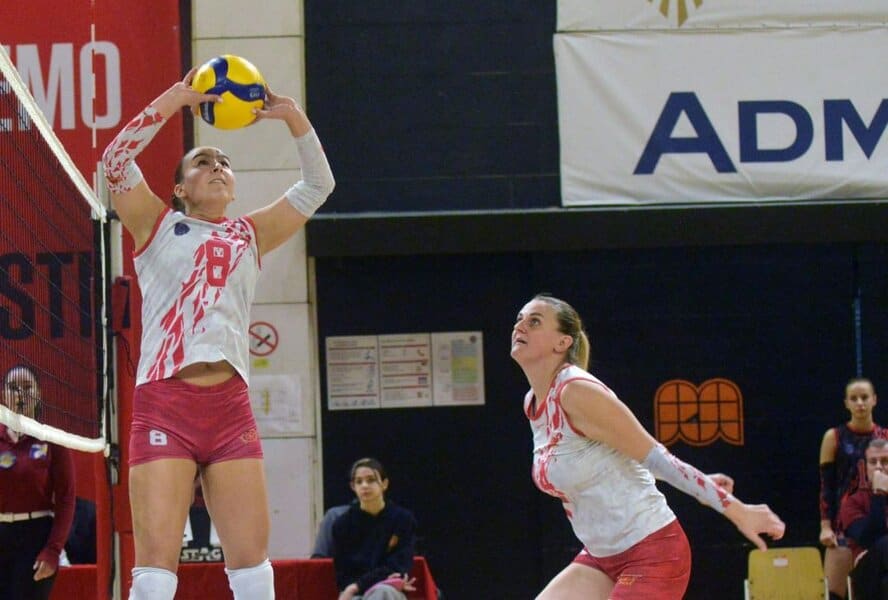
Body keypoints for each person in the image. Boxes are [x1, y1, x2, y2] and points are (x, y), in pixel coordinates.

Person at [101, 66, 334, 600]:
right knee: (155, 574)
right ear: (180, 188)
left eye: (224, 162)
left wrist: (294, 118)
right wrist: (174, 100)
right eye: (203, 162)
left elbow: (319, 185)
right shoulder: (156, 225)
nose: (217, 168)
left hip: (230, 409)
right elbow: (114, 162)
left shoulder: (248, 234)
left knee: (254, 573)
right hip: (165, 404)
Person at [510, 294, 786, 599]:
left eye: (534, 321)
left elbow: (656, 456)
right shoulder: (533, 402)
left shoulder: (576, 391)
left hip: (654, 554)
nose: (520, 326)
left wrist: (737, 510)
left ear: (562, 342)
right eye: (520, 319)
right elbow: (611, 461)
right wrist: (703, 482)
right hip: (600, 556)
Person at [0, 365, 75, 599]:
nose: (20, 394)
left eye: (27, 387)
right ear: (3, 395)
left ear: (38, 393)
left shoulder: (51, 437)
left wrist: (53, 550)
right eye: (13, 388)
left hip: (36, 537)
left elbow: (66, 498)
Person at [819, 377, 880, 600]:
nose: (860, 403)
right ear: (846, 403)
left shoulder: (884, 438)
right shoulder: (834, 437)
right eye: (854, 398)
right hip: (843, 527)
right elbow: (827, 485)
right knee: (834, 593)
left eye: (864, 397)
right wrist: (826, 526)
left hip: (878, 524)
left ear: (874, 400)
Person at [332, 458, 417, 600]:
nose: (364, 485)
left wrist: (356, 586)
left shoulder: (403, 519)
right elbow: (343, 573)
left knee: (383, 592)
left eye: (371, 480)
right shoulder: (342, 524)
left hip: (386, 590)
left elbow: (397, 566)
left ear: (384, 484)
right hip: (354, 594)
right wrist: (355, 588)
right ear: (353, 487)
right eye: (359, 482)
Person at [839, 437, 888, 599]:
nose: (879, 467)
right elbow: (870, 539)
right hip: (867, 575)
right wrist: (879, 494)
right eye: (873, 462)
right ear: (864, 467)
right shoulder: (852, 502)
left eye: (885, 461)